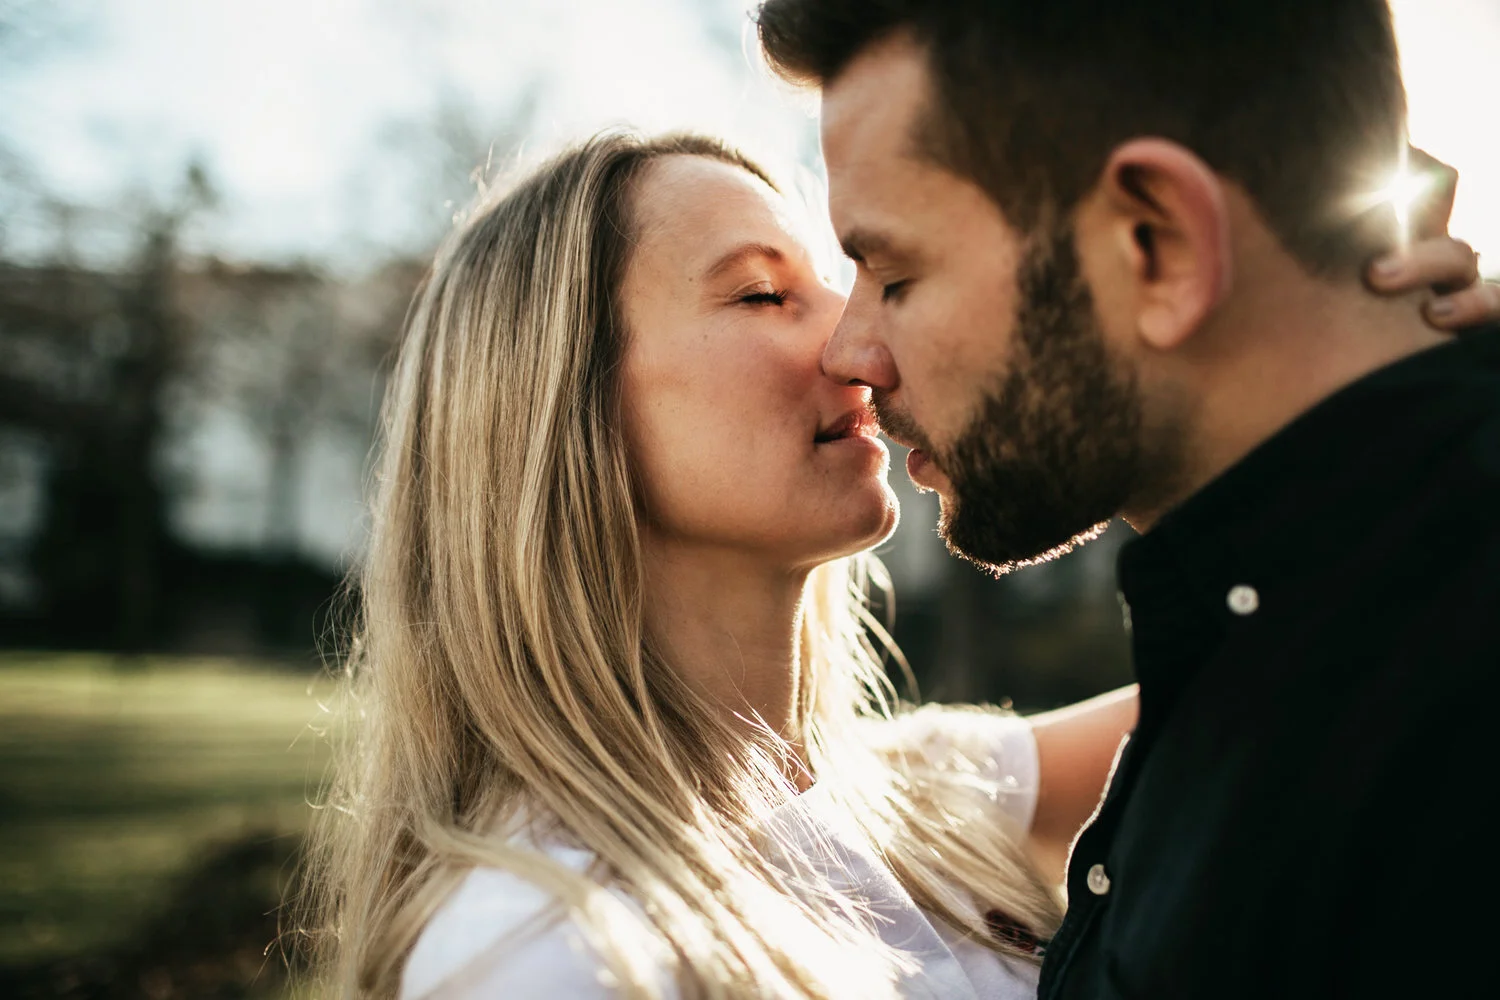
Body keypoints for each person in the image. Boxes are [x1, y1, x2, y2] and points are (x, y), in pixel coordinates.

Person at [296, 120, 1493, 999]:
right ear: (555, 408)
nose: (858, 340)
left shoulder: (898, 794)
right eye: (764, 296)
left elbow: (1287, 674)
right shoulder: (548, 953)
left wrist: (1390, 405)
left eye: (853, 281)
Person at [754, 1, 1500, 997]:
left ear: (1158, 242)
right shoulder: (1259, 646)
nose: (848, 356)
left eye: (896, 272)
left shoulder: (1432, 703)